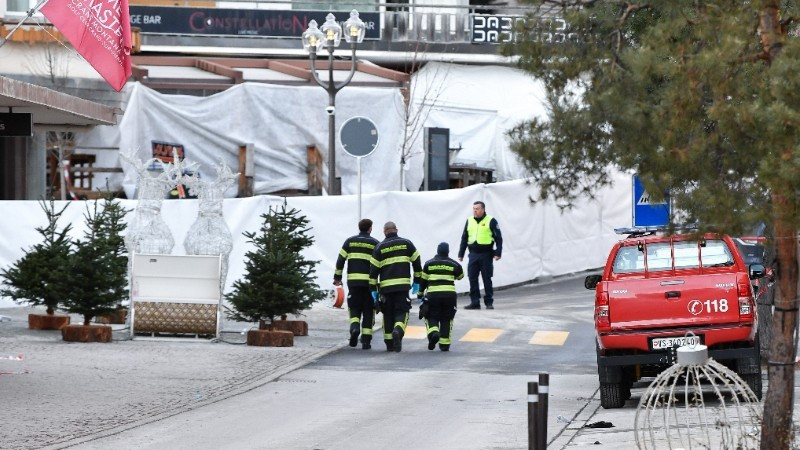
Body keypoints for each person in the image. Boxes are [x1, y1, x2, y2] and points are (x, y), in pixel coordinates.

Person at [369, 221, 422, 352]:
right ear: (396, 230)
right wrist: (417, 280)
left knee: (387, 314)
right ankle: (398, 330)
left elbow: (373, 273)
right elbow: (417, 261)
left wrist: (373, 291)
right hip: (402, 287)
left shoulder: (379, 247)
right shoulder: (407, 243)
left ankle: (389, 343)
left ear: (384, 232)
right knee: (402, 312)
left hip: (386, 289)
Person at [334, 219, 380, 349]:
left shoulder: (349, 241)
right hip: (369, 284)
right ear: (370, 228)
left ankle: (354, 328)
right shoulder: (376, 244)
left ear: (359, 228)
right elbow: (379, 265)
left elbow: (340, 260)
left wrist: (337, 277)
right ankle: (366, 341)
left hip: (353, 283)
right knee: (368, 310)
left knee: (354, 308)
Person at [419, 242, 464, 351]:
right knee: (447, 319)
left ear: (437, 251)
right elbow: (461, 276)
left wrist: (420, 293)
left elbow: (423, 281)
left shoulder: (428, 264)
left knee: (431, 316)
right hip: (449, 296)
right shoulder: (454, 264)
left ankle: (434, 333)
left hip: (433, 295)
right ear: (448, 252)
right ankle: (444, 344)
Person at [458, 200, 502, 310]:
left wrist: (498, 252)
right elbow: (464, 238)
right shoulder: (469, 220)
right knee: (472, 278)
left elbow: (498, 238)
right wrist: (461, 253)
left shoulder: (491, 220)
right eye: (474, 209)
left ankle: (488, 302)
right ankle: (475, 302)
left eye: (477, 209)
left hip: (486, 254)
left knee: (487, 278)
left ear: (483, 209)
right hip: (473, 254)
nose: (475, 211)